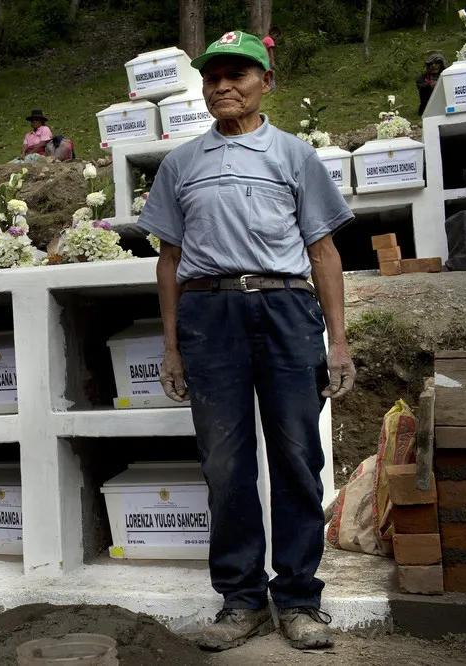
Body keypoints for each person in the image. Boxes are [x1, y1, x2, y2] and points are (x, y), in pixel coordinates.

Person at [137, 31, 355, 652]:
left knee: (297, 457)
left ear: (266, 82)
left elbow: (323, 252)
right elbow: (168, 262)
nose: (223, 87)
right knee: (225, 463)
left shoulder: (294, 155)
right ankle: (241, 600)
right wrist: (171, 346)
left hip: (287, 310)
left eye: (237, 75)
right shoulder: (181, 164)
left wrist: (338, 342)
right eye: (212, 78)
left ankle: (299, 599)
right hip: (209, 316)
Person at [263, 26, 281, 92]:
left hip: (263, 59)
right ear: (273, 33)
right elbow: (271, 51)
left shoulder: (265, 39)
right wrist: (273, 62)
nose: (276, 38)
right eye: (276, 36)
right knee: (271, 75)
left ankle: (266, 89)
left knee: (265, 75)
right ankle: (273, 90)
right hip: (267, 60)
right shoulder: (270, 40)